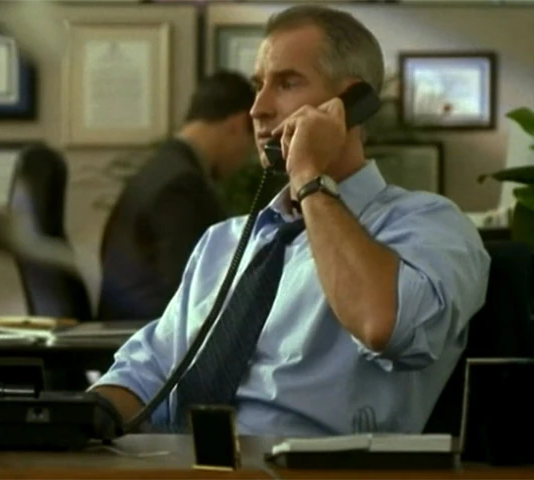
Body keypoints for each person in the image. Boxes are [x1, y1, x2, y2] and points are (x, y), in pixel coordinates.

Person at [90, 4, 490, 436]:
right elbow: (149, 369)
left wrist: (309, 178)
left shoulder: (428, 224)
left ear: (348, 104)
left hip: (299, 463)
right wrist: (79, 420)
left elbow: (383, 326)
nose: (257, 108)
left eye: (286, 83)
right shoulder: (224, 242)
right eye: (258, 86)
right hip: (175, 460)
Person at [98, 71, 256, 321]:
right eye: (250, 145)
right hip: (148, 333)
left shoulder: (163, 167)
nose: (245, 157)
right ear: (237, 125)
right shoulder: (181, 184)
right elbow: (192, 287)